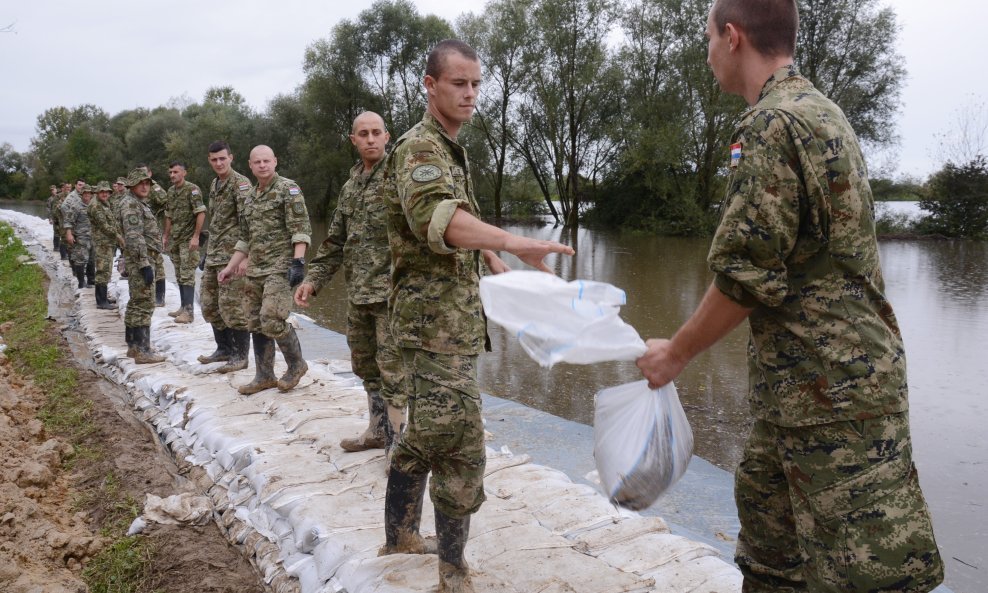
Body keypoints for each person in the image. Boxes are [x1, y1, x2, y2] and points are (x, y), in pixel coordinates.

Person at [635, 2, 944, 592]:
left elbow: (747, 275)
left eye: (707, 39)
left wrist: (674, 353)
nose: (707, 54)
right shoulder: (823, 112)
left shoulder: (771, 126)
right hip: (802, 395)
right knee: (771, 551)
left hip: (832, 398)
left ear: (732, 37)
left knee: (866, 577)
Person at [379, 39, 574, 593]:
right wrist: (514, 241)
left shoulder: (448, 149)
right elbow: (439, 220)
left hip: (451, 325)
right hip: (430, 327)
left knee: (425, 436)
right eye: (458, 83)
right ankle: (453, 572)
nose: (470, 94)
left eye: (476, 84)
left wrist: (496, 261)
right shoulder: (419, 148)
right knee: (462, 446)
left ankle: (398, 537)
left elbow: (464, 223)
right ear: (430, 85)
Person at [295, 111, 401, 453]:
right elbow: (336, 241)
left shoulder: (400, 178)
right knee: (366, 366)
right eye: (363, 134)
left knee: (394, 373)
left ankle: (399, 448)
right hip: (359, 295)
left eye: (376, 133)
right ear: (353, 140)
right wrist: (313, 280)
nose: (370, 139)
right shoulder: (351, 186)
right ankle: (377, 430)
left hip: (393, 297)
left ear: (387, 136)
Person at [218, 145, 310, 394]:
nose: (262, 165)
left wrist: (298, 263)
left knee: (272, 318)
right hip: (255, 269)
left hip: (280, 268)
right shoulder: (249, 198)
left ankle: (296, 364)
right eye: (257, 162)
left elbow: (300, 229)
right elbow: (245, 240)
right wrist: (229, 268)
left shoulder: (287, 190)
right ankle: (264, 375)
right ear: (250, 165)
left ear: (275, 161)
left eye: (266, 161)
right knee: (255, 321)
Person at [198, 141, 253, 373]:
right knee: (209, 305)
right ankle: (223, 349)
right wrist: (206, 251)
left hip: (232, 256)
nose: (219, 163)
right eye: (214, 159)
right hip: (214, 254)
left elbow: (249, 222)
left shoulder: (240, 184)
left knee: (232, 307)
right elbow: (218, 222)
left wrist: (245, 257)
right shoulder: (214, 184)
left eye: (222, 158)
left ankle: (240, 356)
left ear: (231, 157)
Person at [116, 168, 166, 364]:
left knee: (136, 303)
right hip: (141, 261)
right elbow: (134, 237)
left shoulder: (136, 203)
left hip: (143, 259)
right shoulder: (131, 205)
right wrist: (145, 265)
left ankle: (133, 346)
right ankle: (143, 350)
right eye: (141, 183)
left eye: (147, 183)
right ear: (132, 186)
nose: (145, 186)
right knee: (144, 304)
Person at [162, 161, 206, 324]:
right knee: (180, 274)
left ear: (184, 173)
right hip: (175, 239)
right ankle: (183, 306)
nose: (172, 175)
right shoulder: (171, 191)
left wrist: (195, 236)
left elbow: (200, 213)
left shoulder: (192, 189)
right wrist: (165, 236)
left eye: (176, 172)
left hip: (188, 240)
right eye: (171, 172)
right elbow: (169, 215)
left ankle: (189, 312)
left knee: (187, 275)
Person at [87, 181, 124, 310]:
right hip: (102, 243)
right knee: (103, 271)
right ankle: (101, 302)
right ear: (97, 192)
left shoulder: (104, 204)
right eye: (102, 192)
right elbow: (105, 226)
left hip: (107, 242)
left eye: (106, 192)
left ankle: (103, 298)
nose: (104, 194)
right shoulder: (96, 206)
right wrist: (119, 237)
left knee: (106, 270)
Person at [140, 164, 169, 307]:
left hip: (153, 232)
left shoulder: (154, 187)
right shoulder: (138, 187)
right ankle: (150, 295)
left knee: (157, 264)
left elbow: (167, 202)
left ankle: (159, 297)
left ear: (150, 173)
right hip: (142, 232)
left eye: (144, 173)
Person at [61, 181, 94, 289]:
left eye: (89, 193)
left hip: (93, 237)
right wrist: (69, 234)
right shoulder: (76, 206)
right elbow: (68, 221)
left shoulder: (94, 206)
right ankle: (81, 282)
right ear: (82, 194)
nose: (87, 195)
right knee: (81, 259)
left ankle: (91, 280)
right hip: (81, 237)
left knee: (92, 259)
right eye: (85, 193)